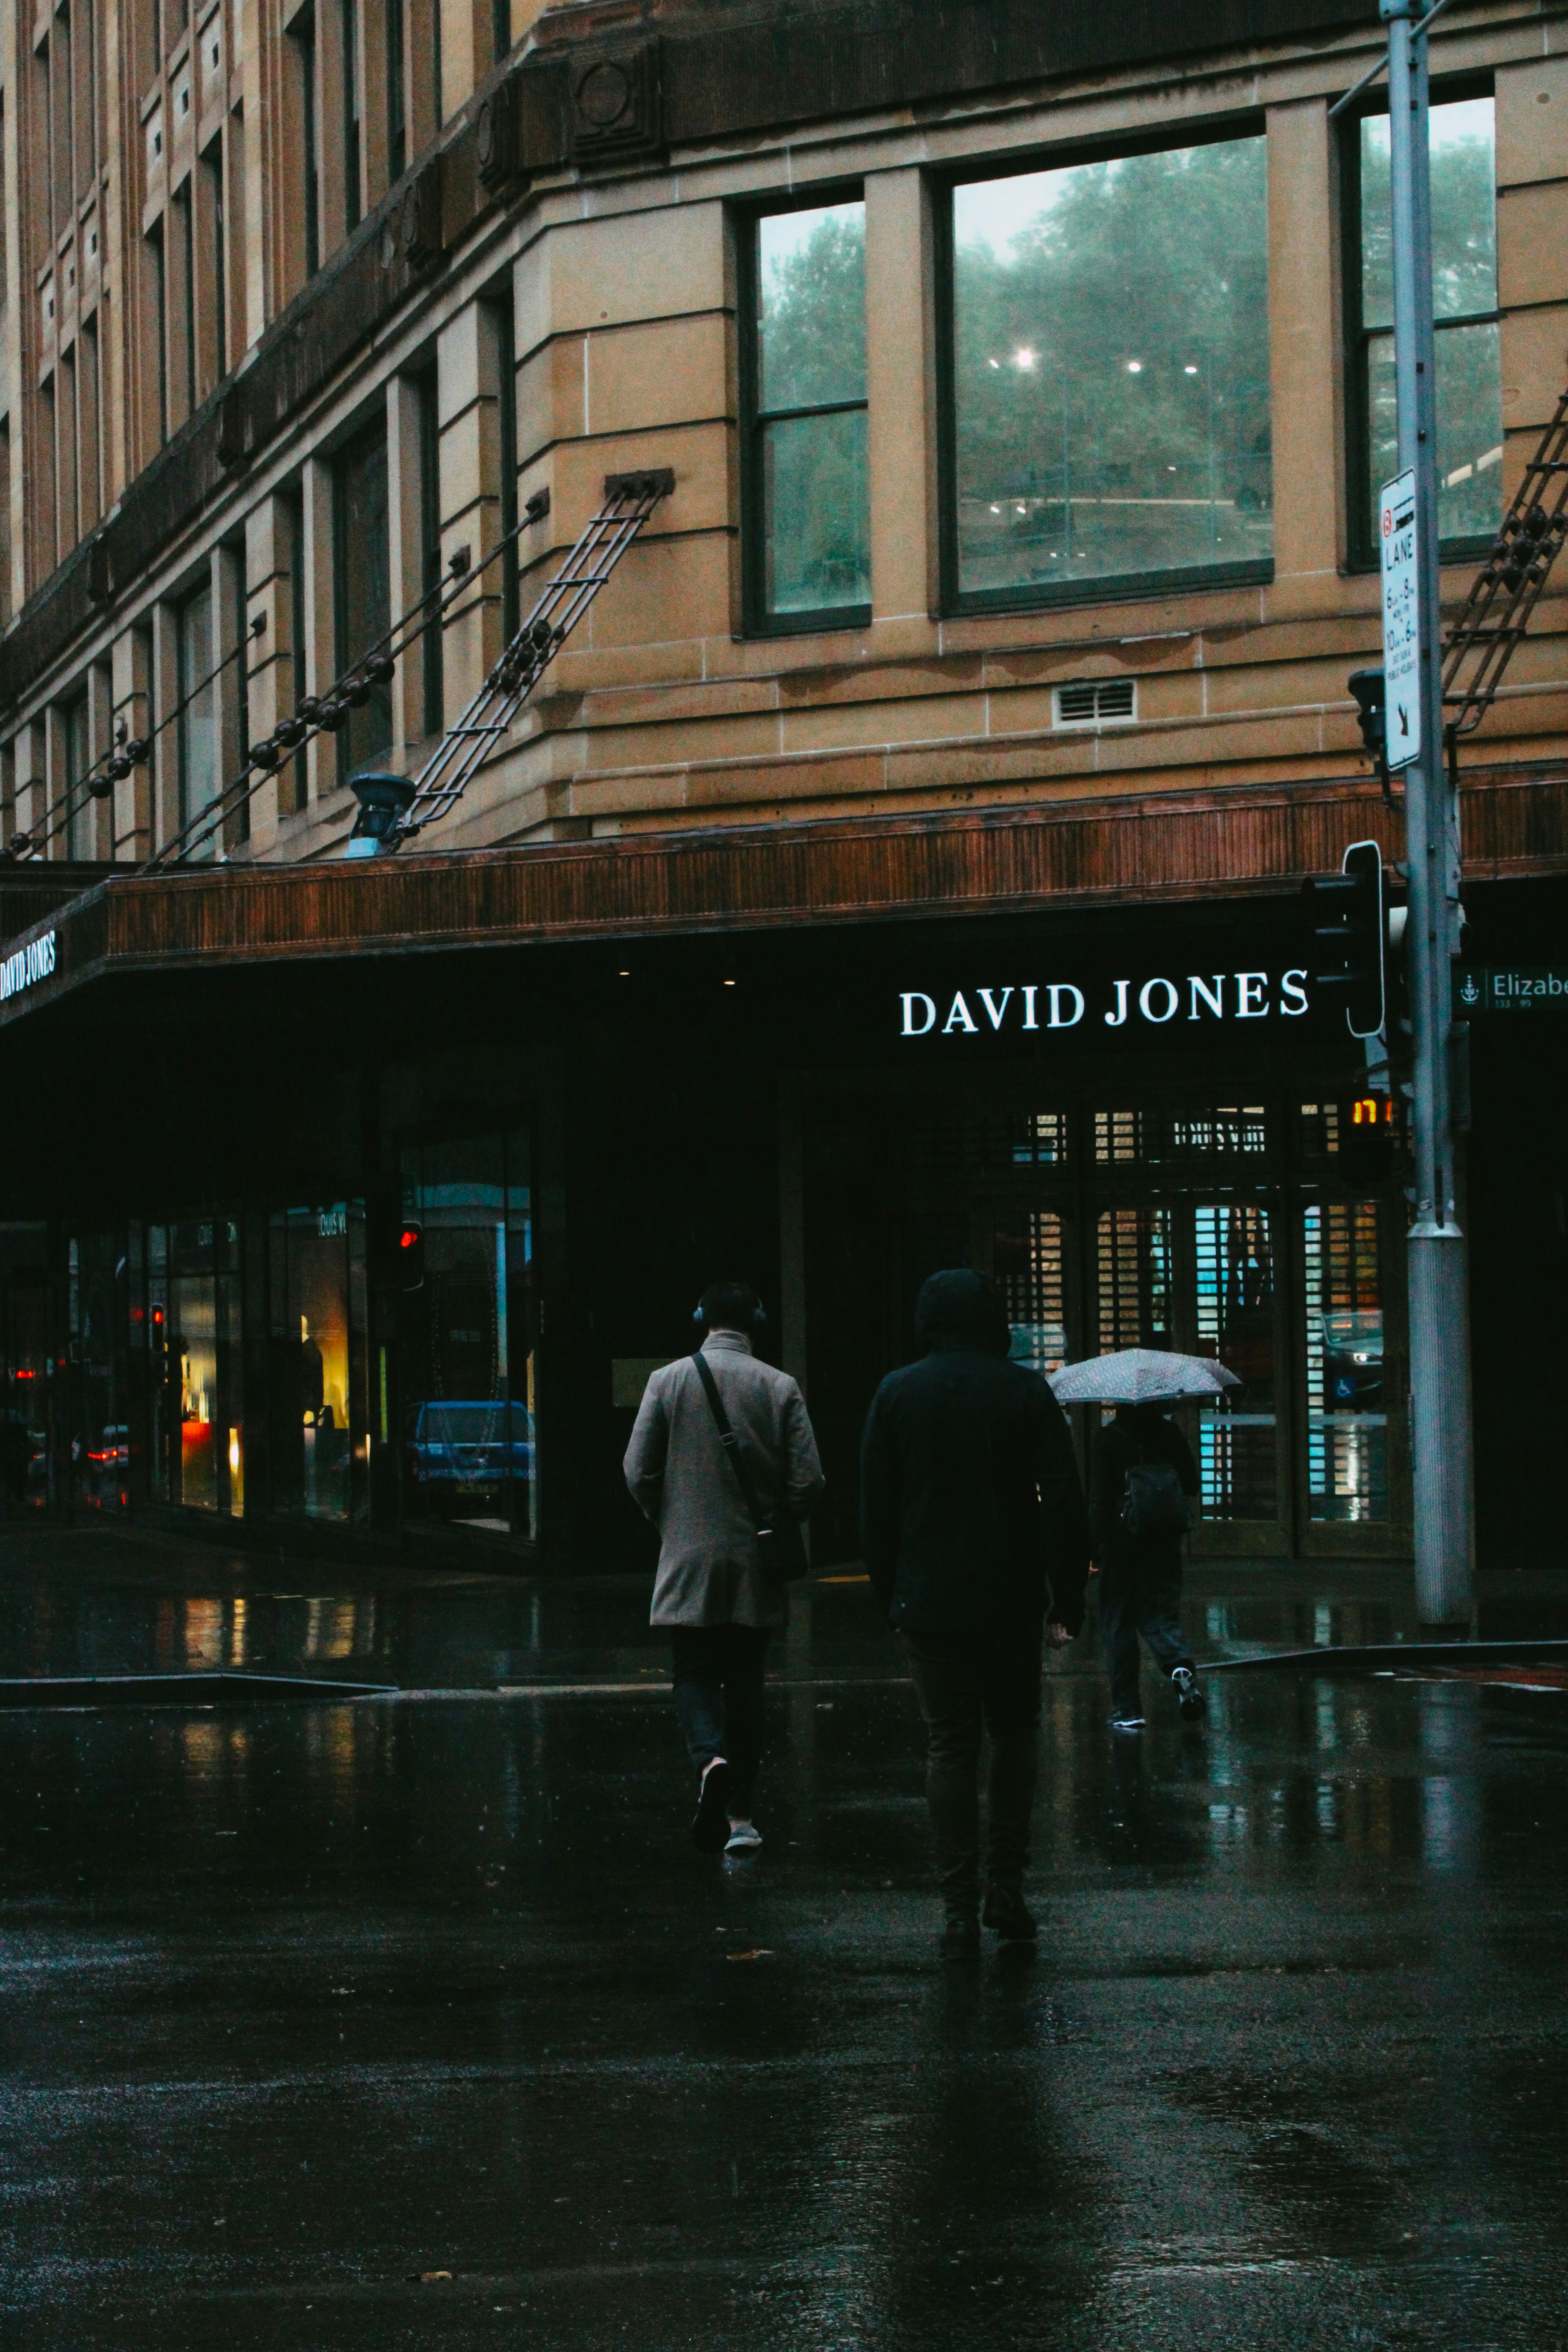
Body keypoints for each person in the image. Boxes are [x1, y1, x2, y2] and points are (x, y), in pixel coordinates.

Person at [860, 1269, 1091, 1961]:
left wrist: (890, 1594)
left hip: (929, 1598)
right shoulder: (1025, 1391)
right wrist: (1066, 1600)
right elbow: (1063, 1498)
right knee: (1015, 1733)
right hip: (1010, 1595)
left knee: (950, 1744)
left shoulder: (897, 1392)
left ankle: (957, 1906)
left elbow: (876, 1508)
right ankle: (1006, 1889)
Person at [624, 1281, 824, 1856]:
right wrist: (781, 1516)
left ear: (700, 1320)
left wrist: (671, 1521)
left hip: (687, 1554)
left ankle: (709, 1758)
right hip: (755, 1560)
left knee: (692, 1672)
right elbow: (809, 1481)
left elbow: (637, 1470)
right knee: (746, 1684)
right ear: (756, 1323)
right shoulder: (780, 1386)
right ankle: (741, 1818)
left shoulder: (667, 1381)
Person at [1089, 1400, 1205, 1732]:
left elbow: (1098, 1498)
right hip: (1163, 1541)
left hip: (1119, 1541)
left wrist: (1094, 1549)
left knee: (1118, 1621)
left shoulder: (1108, 1440)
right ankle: (1180, 1667)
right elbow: (1192, 1484)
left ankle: (1128, 1709)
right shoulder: (1169, 1434)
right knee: (1160, 1614)